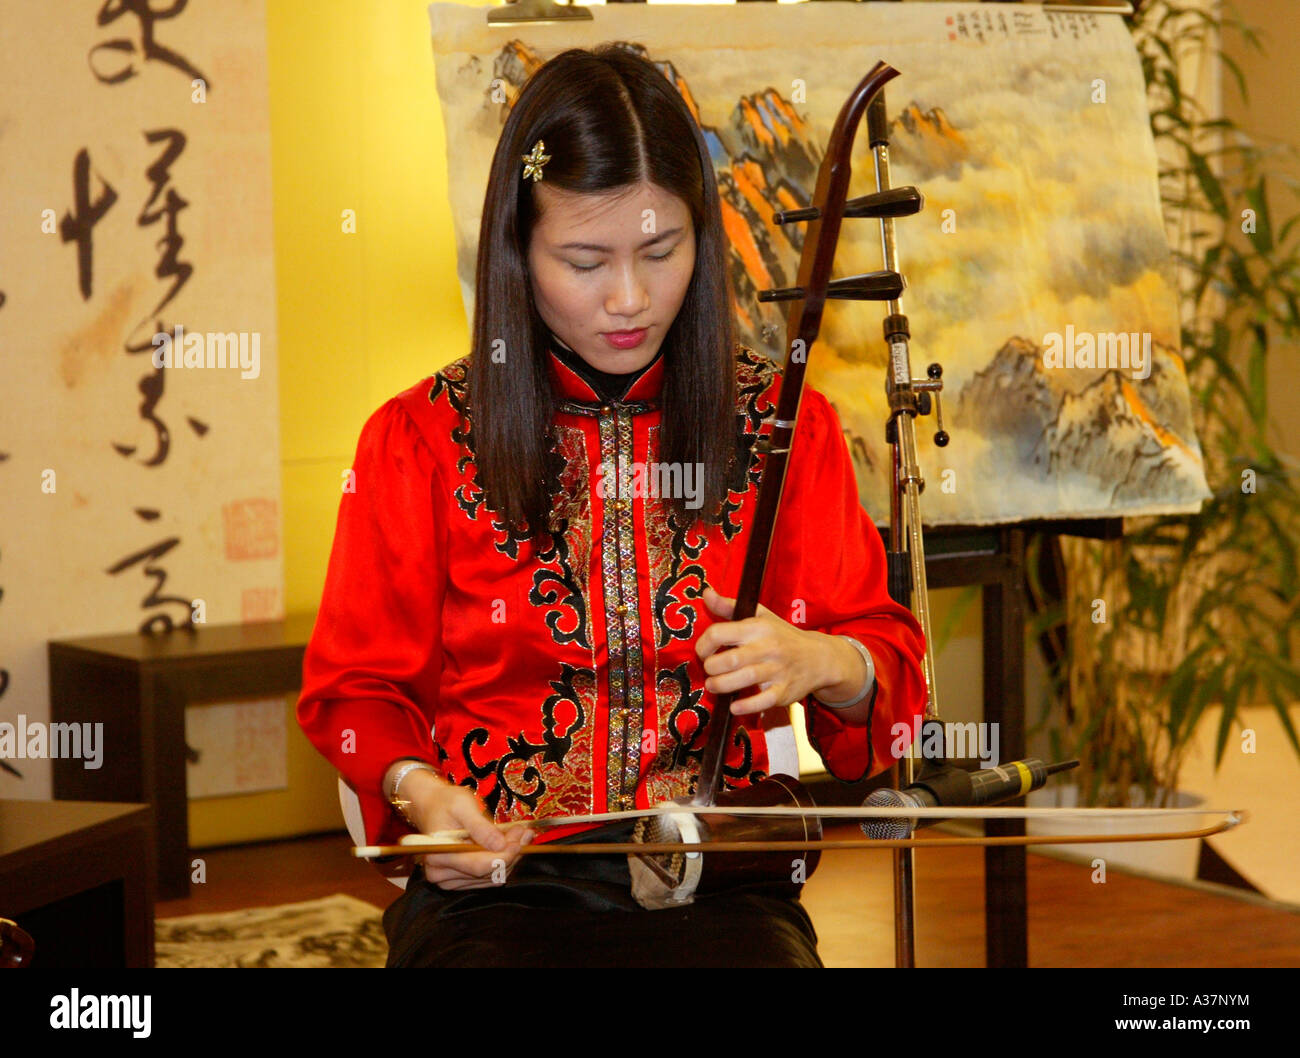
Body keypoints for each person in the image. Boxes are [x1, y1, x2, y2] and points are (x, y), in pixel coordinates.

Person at [296, 44, 927, 968]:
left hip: (719, 885)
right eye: (584, 260)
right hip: (502, 893)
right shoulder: (416, 439)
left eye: (660, 252)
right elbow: (355, 693)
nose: (628, 299)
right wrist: (419, 791)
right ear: (517, 248)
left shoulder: (785, 429)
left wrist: (826, 661)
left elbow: (886, 682)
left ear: (701, 241)